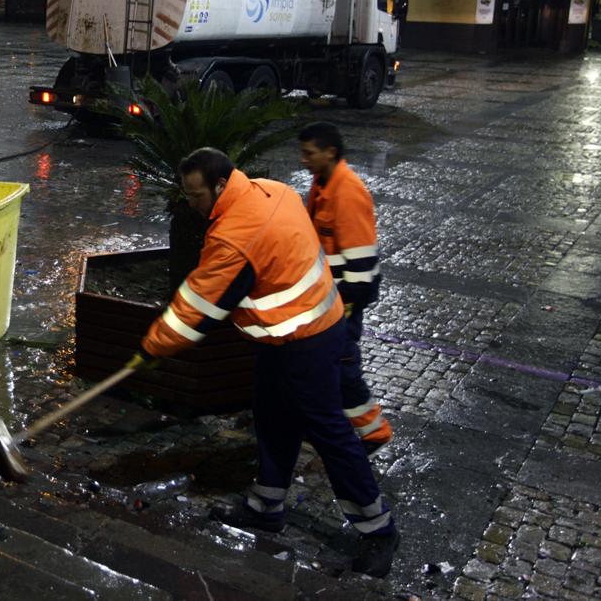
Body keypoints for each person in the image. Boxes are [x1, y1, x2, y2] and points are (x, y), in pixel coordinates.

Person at [130, 147, 399, 578]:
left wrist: (151, 348)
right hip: (294, 334)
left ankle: (379, 528)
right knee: (273, 416)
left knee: (331, 433)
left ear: (220, 185)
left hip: (307, 342)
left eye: (197, 196)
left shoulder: (234, 234)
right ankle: (266, 504)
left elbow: (197, 306)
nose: (193, 205)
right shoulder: (272, 191)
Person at [299, 122, 392, 454]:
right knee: (325, 364)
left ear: (330, 152)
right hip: (332, 293)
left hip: (347, 295)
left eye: (310, 153)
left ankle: (374, 431)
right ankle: (328, 423)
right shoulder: (323, 183)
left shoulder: (346, 192)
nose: (304, 160)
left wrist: (346, 305)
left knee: (340, 364)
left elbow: (360, 260)